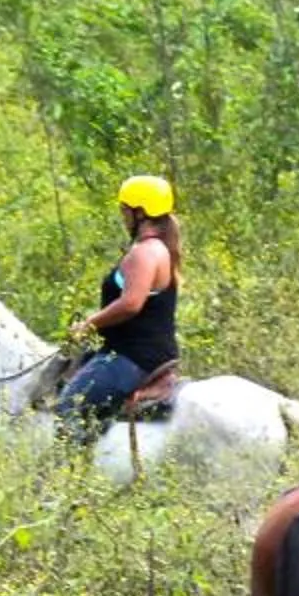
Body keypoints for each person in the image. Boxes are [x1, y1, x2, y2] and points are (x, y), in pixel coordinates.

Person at [53, 173, 180, 435]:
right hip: (143, 352)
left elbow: (131, 304)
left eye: (125, 211)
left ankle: (71, 473)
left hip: (133, 357)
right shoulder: (159, 249)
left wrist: (88, 324)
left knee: (70, 406)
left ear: (140, 213)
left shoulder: (144, 253)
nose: (123, 217)